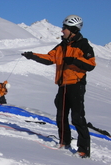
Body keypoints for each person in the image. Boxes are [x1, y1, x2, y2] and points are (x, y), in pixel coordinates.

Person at [21, 15, 96, 158]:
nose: (62, 31)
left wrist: (74, 60)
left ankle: (84, 150)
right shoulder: (62, 45)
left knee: (77, 118)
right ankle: (64, 141)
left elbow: (91, 64)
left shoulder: (83, 45)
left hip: (76, 85)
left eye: (65, 28)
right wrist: (32, 56)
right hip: (63, 86)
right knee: (61, 115)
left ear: (73, 29)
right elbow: (50, 58)